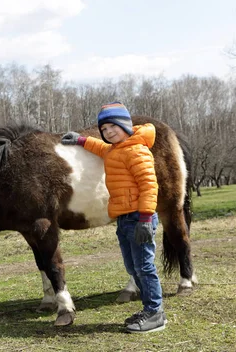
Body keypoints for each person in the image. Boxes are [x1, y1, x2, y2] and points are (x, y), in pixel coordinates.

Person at [60, 101, 166, 333]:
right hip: (124, 219)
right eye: (104, 130)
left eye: (112, 127)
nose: (108, 133)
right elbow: (101, 148)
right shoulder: (116, 149)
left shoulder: (137, 149)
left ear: (125, 125)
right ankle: (148, 309)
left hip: (140, 217)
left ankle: (155, 312)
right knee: (133, 266)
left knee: (144, 266)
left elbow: (149, 185)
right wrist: (81, 140)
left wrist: (146, 218)